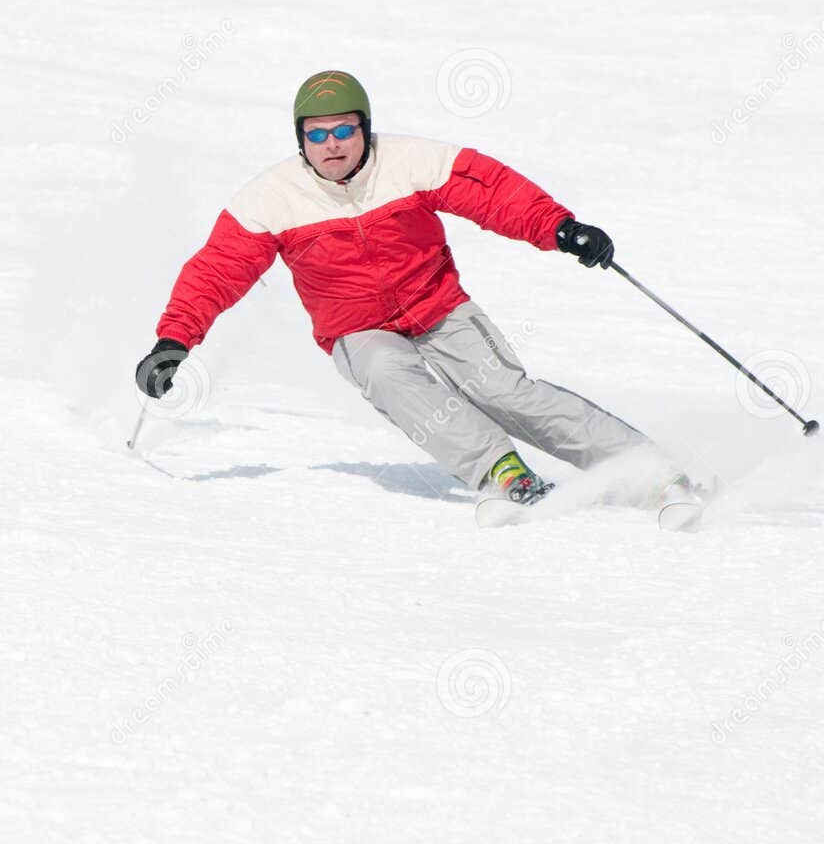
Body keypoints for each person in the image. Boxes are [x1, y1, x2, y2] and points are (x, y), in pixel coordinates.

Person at [135, 69, 693, 521]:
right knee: (383, 370)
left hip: (438, 307)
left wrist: (559, 228)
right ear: (301, 139)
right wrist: (174, 339)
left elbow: (490, 191)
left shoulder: (408, 163)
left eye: (344, 131)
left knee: (504, 390)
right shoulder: (271, 198)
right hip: (357, 327)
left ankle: (649, 468)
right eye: (318, 134)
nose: (332, 145)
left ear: (365, 129)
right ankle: (501, 471)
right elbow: (218, 269)